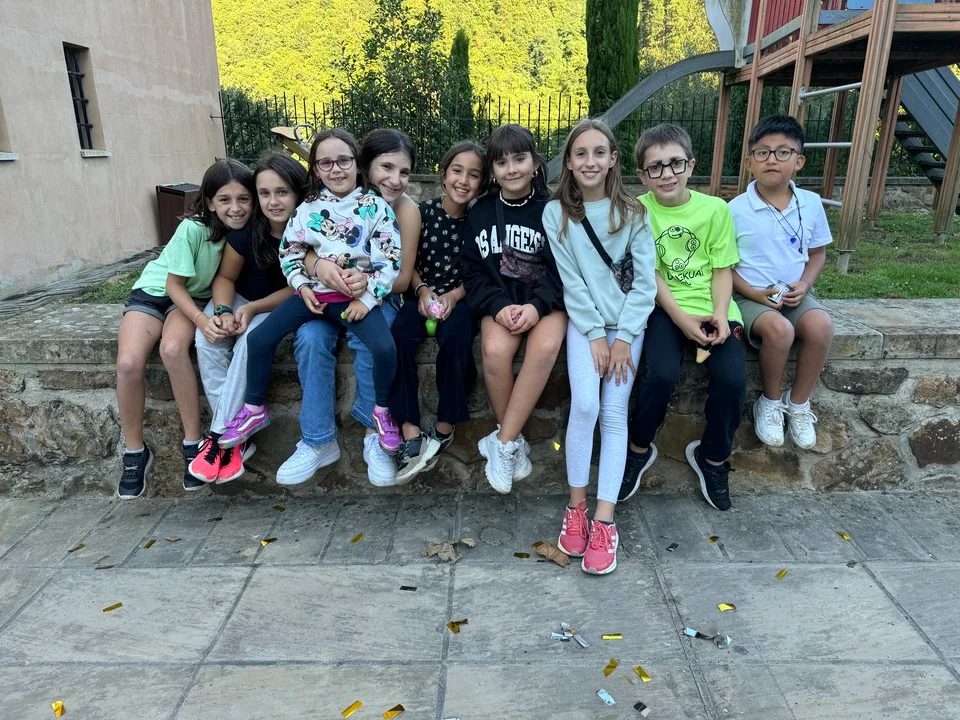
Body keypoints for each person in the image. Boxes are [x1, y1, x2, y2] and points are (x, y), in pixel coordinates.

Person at [216, 128, 402, 456]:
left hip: (355, 300)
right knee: (258, 339)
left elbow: (389, 258)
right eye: (325, 163)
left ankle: (382, 411)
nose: (336, 169)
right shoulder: (307, 210)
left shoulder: (376, 207)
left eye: (343, 160)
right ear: (315, 169)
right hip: (314, 296)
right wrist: (301, 286)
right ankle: (254, 408)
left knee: (385, 348)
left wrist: (369, 297)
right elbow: (290, 253)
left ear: (356, 162)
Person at [275, 128, 420, 487]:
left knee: (368, 342)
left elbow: (401, 278)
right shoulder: (328, 201)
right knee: (310, 339)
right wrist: (317, 268)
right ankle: (317, 440)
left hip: (376, 297)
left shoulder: (404, 210)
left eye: (403, 172)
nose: (395, 179)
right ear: (364, 167)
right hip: (326, 296)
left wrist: (362, 284)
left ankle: (373, 432)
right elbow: (307, 250)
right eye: (386, 168)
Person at [544, 119, 656, 574]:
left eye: (599, 152)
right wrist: (594, 335)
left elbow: (644, 284)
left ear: (612, 159)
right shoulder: (557, 214)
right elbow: (572, 281)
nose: (590, 161)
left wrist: (624, 338)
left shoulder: (634, 213)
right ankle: (576, 508)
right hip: (585, 326)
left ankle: (605, 521)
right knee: (586, 406)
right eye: (580, 153)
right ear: (569, 163)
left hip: (629, 328)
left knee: (613, 411)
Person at [115, 159, 254, 499]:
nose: (235, 207)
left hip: (191, 299)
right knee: (129, 364)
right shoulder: (193, 229)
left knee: (174, 349)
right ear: (210, 203)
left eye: (243, 199)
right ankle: (134, 451)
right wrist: (202, 321)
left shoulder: (247, 233)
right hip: (157, 293)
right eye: (224, 199)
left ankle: (192, 443)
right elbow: (173, 285)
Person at [625, 123, 746, 512]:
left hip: (714, 307)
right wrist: (681, 319)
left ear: (690, 165)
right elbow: (651, 275)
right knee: (659, 375)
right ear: (642, 175)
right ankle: (638, 448)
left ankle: (713, 458)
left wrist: (721, 315)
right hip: (665, 309)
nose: (667, 174)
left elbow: (722, 269)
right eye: (655, 167)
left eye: (675, 163)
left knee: (733, 380)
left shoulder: (715, 210)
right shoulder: (638, 211)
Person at [461, 124, 567, 493]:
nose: (511, 169)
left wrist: (537, 306)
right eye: (501, 162)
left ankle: (502, 442)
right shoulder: (479, 213)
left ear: (535, 163)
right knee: (494, 351)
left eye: (519, 159)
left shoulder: (553, 211)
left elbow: (564, 269)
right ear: (492, 170)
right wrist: (499, 305)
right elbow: (473, 273)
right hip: (500, 301)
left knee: (546, 347)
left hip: (547, 302)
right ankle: (514, 443)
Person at [188, 153, 306, 484]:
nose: (273, 201)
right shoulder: (247, 232)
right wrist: (223, 311)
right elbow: (225, 278)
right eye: (264, 193)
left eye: (282, 192)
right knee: (206, 340)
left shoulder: (308, 232)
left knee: (249, 345)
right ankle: (235, 441)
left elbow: (299, 288)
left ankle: (217, 438)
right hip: (237, 298)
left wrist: (253, 309)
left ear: (298, 193)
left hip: (277, 305)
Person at [730, 114, 834, 450]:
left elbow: (817, 253)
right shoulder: (734, 210)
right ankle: (770, 401)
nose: (771, 159)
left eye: (783, 152)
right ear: (750, 162)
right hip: (749, 296)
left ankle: (799, 402)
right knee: (780, 330)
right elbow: (724, 267)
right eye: (762, 152)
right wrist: (754, 294)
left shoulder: (811, 204)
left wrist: (805, 284)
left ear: (798, 161)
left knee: (821, 326)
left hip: (795, 294)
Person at [387, 141, 487, 484]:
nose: (463, 180)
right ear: (444, 175)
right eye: (457, 171)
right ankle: (410, 430)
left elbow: (480, 271)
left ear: (482, 182)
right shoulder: (422, 212)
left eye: (474, 175)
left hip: (460, 298)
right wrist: (421, 289)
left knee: (457, 341)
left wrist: (455, 296)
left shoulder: (479, 221)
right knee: (398, 337)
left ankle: (444, 426)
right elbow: (408, 261)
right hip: (421, 294)